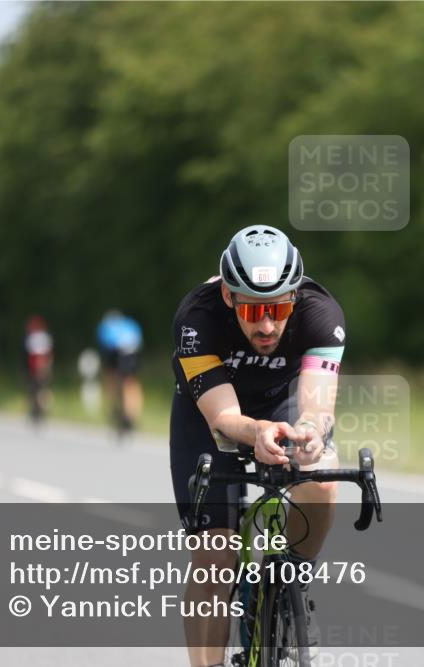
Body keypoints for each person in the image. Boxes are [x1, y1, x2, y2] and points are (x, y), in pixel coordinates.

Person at [170, 225, 345, 667]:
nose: (267, 325)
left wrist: (309, 432)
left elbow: (318, 407)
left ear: (295, 295)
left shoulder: (321, 312)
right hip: (212, 408)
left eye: (279, 307)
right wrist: (257, 432)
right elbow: (225, 420)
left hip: (283, 399)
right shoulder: (198, 317)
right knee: (215, 557)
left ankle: (292, 577)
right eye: (252, 310)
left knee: (323, 479)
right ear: (229, 297)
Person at [96, 310, 144, 434]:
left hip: (115, 355)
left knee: (112, 378)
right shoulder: (130, 324)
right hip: (131, 355)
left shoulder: (107, 326)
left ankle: (116, 408)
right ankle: (131, 413)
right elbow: (138, 339)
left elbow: (103, 344)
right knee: (131, 382)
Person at [23, 315, 54, 424]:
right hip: (42, 368)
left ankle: (36, 411)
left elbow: (29, 354)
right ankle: (41, 410)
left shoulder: (32, 337)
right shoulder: (45, 336)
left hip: (34, 369)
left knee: (34, 390)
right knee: (42, 390)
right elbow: (49, 354)